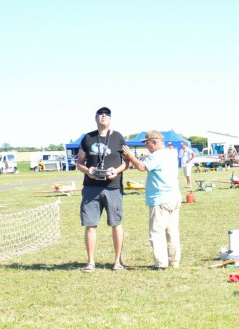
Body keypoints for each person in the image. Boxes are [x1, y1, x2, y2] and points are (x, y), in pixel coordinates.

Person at [76, 106, 128, 272]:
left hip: (113, 187)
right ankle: (90, 262)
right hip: (91, 188)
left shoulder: (118, 137)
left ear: (110, 119)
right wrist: (88, 171)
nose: (103, 116)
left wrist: (116, 171)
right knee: (90, 225)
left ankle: (117, 261)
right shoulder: (88, 138)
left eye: (106, 114)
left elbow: (127, 162)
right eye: (100, 114)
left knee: (116, 223)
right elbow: (79, 163)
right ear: (96, 118)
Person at [121, 131, 181, 270]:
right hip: (174, 197)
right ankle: (174, 262)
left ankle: (161, 264)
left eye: (146, 143)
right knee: (172, 232)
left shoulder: (157, 155)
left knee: (156, 232)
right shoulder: (171, 153)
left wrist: (130, 156)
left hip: (160, 199)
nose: (146, 146)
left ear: (154, 142)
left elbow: (142, 167)